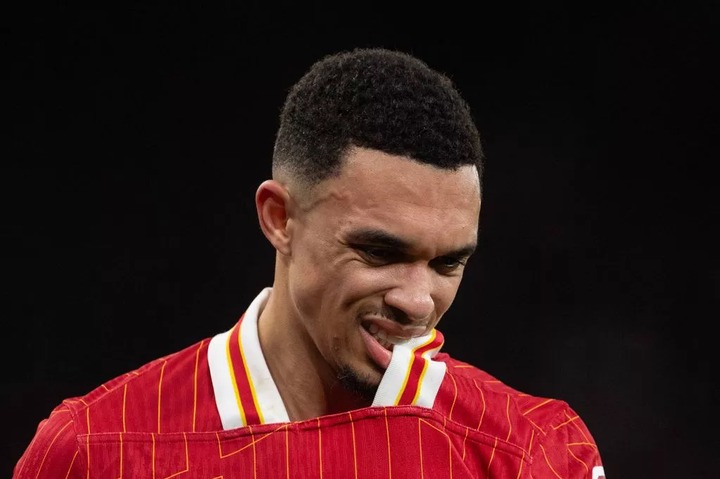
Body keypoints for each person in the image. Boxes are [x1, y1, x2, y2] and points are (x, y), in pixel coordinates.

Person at [14, 47, 606, 479]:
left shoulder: (536, 455)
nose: (418, 301)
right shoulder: (94, 453)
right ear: (279, 219)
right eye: (380, 252)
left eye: (448, 263)